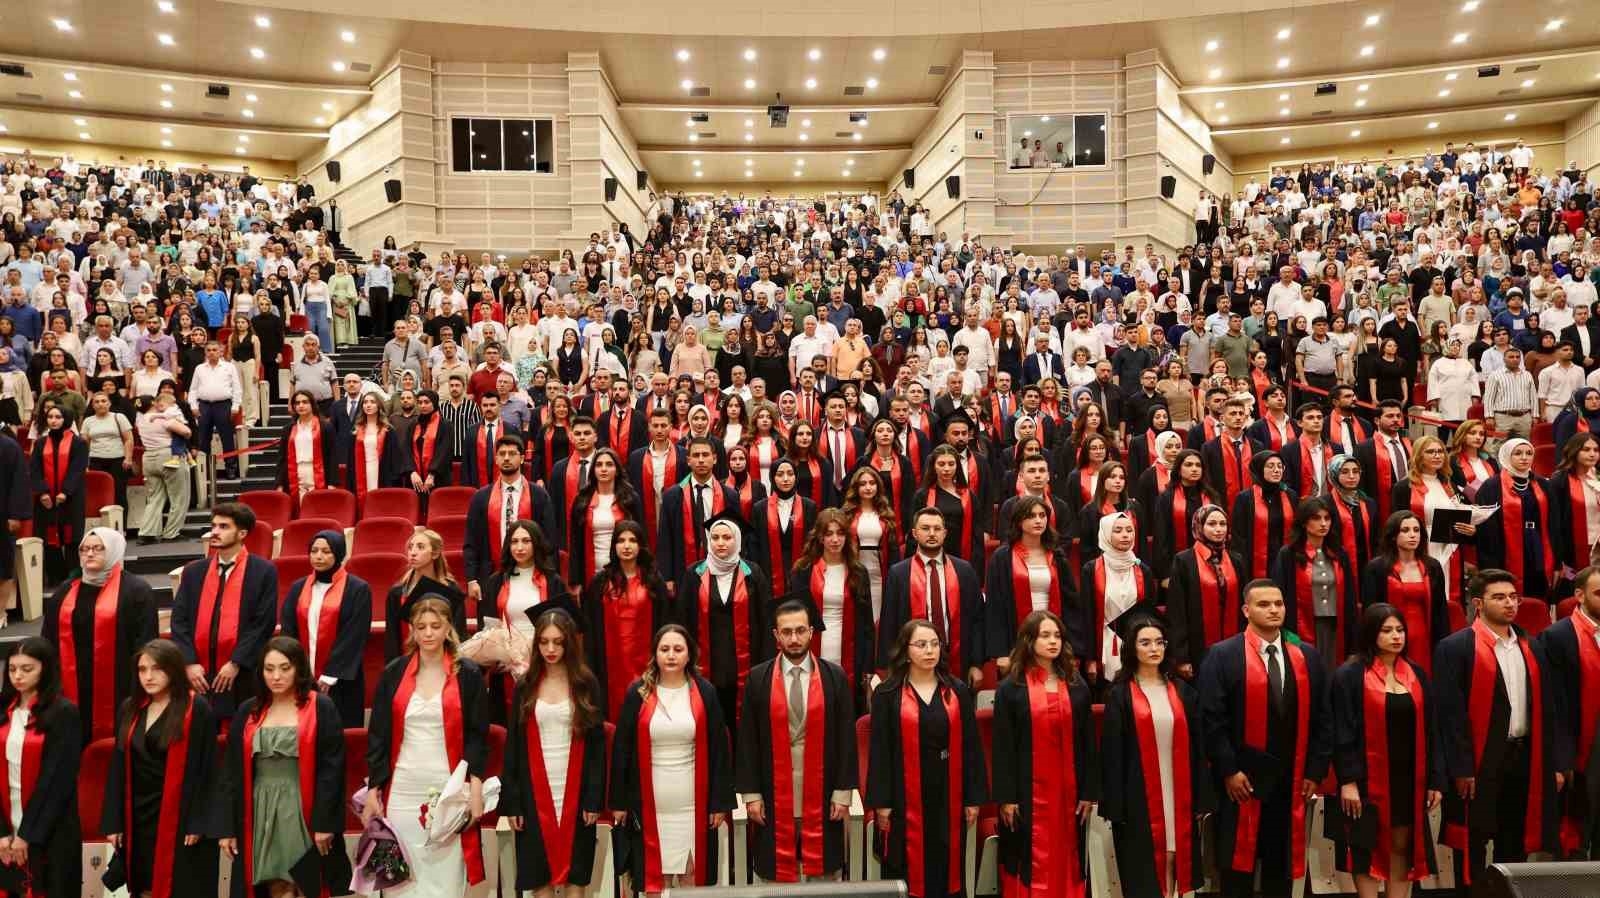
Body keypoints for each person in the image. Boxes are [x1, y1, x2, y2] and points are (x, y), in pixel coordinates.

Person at [1198, 579, 1331, 898]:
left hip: (1290, 780)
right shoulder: (1222, 655)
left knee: (1279, 871)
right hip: (1240, 781)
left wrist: (1314, 771)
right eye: (1264, 604)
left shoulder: (1306, 656)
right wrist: (1229, 770)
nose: (1273, 610)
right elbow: (1212, 720)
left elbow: (1323, 718)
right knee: (1237, 873)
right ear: (1246, 610)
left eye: (1278, 604)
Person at [1435, 569, 1562, 885]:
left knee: (1514, 840)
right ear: (1478, 603)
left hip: (1523, 755)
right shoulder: (1455, 648)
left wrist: (1554, 763)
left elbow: (1548, 709)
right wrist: (1461, 767)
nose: (1510, 604)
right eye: (1500, 597)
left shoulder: (1532, 646)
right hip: (1479, 759)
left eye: (1513, 597)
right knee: (1474, 843)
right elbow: (1450, 716)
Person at [364, 593, 492, 894]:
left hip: (448, 791)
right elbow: (378, 735)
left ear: (448, 628)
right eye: (421, 627)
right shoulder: (394, 673)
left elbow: (477, 736)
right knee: (402, 882)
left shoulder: (468, 674)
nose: (428, 633)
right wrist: (373, 789)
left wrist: (475, 789)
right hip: (403, 790)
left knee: (444, 880)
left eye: (436, 626)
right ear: (412, 629)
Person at [736, 599, 858, 883]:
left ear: (812, 632)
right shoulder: (758, 678)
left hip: (824, 793)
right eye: (787, 632)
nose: (794, 638)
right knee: (776, 880)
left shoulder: (834, 677)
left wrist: (843, 792)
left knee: (823, 877)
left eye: (800, 630)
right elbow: (748, 741)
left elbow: (846, 739)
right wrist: (751, 795)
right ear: (776, 635)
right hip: (773, 794)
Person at [1329, 604, 1445, 897]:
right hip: (1367, 777)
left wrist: (1435, 780)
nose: (1396, 636)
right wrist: (1348, 780)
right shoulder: (1349, 675)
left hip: (1409, 777)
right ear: (1371, 634)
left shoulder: (1416, 674)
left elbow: (1433, 730)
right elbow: (1342, 732)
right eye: (1387, 630)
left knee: (1402, 846)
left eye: (1400, 630)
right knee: (1366, 848)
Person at [608, 624, 735, 893]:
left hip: (692, 806)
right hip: (649, 806)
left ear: (689, 655)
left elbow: (719, 751)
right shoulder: (638, 692)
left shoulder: (705, 692)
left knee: (692, 879)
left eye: (678, 649)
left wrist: (719, 802)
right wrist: (618, 802)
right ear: (655, 654)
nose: (671, 655)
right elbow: (622, 750)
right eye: (664, 649)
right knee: (655, 883)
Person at [219, 637, 349, 898]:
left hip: (302, 806)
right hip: (259, 807)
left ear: (299, 668)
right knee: (273, 884)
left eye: (284, 668)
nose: (276, 676)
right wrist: (228, 828)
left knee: (306, 882)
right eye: (269, 669)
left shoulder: (320, 706)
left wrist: (326, 823)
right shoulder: (248, 710)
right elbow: (231, 773)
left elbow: (332, 770)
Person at [866, 619, 987, 898]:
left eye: (934, 644)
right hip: (903, 796)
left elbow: (971, 746)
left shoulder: (956, 690)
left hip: (948, 792)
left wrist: (972, 798)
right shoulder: (887, 694)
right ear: (906, 651)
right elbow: (880, 752)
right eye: (921, 645)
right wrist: (882, 803)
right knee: (905, 867)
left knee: (947, 867)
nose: (929, 650)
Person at [1099, 609, 1213, 898]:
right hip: (1138, 795)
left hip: (1178, 789)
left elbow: (1198, 749)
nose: (1154, 648)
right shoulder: (1119, 695)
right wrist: (1116, 804)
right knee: (1144, 864)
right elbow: (1112, 756)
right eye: (1145, 642)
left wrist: (1201, 795)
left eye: (1159, 642)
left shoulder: (1184, 692)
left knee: (1176, 852)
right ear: (1132, 648)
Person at [500, 601, 608, 896]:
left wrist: (593, 799)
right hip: (534, 791)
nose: (550, 649)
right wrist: (514, 802)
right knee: (540, 878)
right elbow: (514, 747)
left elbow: (597, 748)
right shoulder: (526, 685)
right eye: (544, 642)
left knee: (576, 877)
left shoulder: (586, 684)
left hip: (577, 789)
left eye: (558, 642)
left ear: (569, 643)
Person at [101, 639, 221, 898]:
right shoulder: (130, 708)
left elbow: (208, 771)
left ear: (173, 669)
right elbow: (118, 768)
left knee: (182, 885)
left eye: (156, 669)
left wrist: (198, 821)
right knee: (143, 884)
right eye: (142, 669)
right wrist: (114, 820)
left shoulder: (196, 708)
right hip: (138, 814)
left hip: (181, 813)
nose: (148, 676)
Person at [992, 610, 1098, 898]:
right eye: (1045, 636)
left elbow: (1088, 743)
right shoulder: (1011, 688)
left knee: (1068, 853)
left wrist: (1088, 791)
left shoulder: (1076, 685)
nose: (1053, 642)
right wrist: (1007, 797)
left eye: (1057, 636)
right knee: (1028, 856)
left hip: (1068, 792)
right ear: (1029, 640)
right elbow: (1003, 747)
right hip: (1026, 791)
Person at [42, 527, 157, 745]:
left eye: (98, 548)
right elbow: (48, 639)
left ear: (114, 550)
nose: (89, 554)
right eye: (84, 549)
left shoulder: (136, 591)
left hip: (120, 683)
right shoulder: (65, 590)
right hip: (72, 681)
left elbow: (146, 643)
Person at [169, 504, 279, 720]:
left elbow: (263, 623)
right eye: (214, 526)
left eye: (224, 526)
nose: (215, 532)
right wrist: (189, 662)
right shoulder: (193, 572)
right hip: (198, 672)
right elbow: (179, 620)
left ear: (242, 534)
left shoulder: (263, 571)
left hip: (242, 671)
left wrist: (236, 662)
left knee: (240, 727)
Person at [675, 515, 776, 730]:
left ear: (737, 540)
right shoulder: (694, 575)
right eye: (715, 538)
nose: (720, 543)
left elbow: (766, 622)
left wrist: (765, 665)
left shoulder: (753, 574)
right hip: (706, 664)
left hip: (747, 664)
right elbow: (683, 622)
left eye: (727, 537)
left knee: (745, 726)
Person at [0, 639, 81, 898]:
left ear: (44, 669)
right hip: (6, 821)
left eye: (27, 669)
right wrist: (2, 834)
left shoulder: (63, 712)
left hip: (49, 826)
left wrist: (26, 835)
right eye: (12, 669)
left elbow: (57, 782)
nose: (18, 676)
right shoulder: (3, 709)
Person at [878, 506, 986, 689]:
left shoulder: (964, 571)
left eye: (937, 529)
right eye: (925, 528)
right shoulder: (899, 573)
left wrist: (977, 664)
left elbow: (977, 620)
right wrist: (888, 668)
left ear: (945, 533)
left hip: (958, 658)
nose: (932, 533)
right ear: (914, 533)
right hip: (912, 661)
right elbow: (889, 623)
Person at [1536, 565, 1600, 858]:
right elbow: (1552, 705)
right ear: (1579, 595)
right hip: (1579, 744)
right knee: (1577, 831)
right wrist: (1560, 760)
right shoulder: (1557, 637)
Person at [277, 530, 372, 727]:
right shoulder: (298, 587)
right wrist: (296, 668)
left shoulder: (358, 589)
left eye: (326, 551)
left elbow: (354, 635)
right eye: (314, 551)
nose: (318, 556)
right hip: (302, 676)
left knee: (339, 731)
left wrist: (330, 675)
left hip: (341, 679)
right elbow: (288, 629)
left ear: (339, 554)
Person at [582, 520, 674, 720]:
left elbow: (664, 623)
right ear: (614, 546)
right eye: (621, 540)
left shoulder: (654, 581)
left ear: (640, 546)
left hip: (646, 661)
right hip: (608, 665)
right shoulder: (600, 583)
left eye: (632, 540)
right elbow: (590, 628)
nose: (626, 546)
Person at [478, 519, 568, 717]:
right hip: (508, 663)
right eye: (514, 541)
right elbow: (490, 626)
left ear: (536, 544)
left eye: (526, 541)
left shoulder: (553, 581)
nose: (519, 547)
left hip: (545, 655)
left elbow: (563, 626)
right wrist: (498, 654)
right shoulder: (495, 582)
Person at [983, 496, 1078, 674]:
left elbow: (1071, 602)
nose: (1038, 520)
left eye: (1042, 515)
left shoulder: (1056, 555)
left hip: (1051, 635)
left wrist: (1071, 646)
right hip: (1015, 636)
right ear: (1019, 521)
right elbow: (995, 607)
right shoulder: (1002, 557)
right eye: (1032, 516)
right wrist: (1000, 652)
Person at [784, 510, 875, 690]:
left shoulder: (858, 572)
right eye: (829, 534)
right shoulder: (802, 571)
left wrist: (868, 666)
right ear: (820, 537)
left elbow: (867, 625)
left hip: (850, 650)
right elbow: (791, 618)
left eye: (840, 533)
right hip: (811, 646)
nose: (835, 540)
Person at [463, 434, 556, 594]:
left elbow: (549, 540)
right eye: (502, 454)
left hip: (533, 575)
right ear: (496, 459)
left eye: (512, 453)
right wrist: (471, 579)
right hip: (490, 575)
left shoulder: (539, 495)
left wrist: (549, 577)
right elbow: (471, 541)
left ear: (522, 458)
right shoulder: (481, 497)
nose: (506, 458)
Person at [1360, 512, 1450, 676]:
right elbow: (1370, 612)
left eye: (1416, 530)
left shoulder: (1433, 567)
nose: (1412, 535)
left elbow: (1441, 610)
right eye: (1405, 530)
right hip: (1388, 635)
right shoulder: (1376, 568)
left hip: (1424, 635)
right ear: (1394, 535)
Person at [1272, 497, 1358, 664]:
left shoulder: (1339, 554)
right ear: (1304, 522)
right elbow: (1280, 593)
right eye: (1316, 518)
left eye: (1327, 518)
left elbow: (1350, 597)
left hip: (1335, 625)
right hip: (1301, 624)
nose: (1323, 523)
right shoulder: (1288, 554)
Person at [1167, 504, 1245, 678]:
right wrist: (1181, 657)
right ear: (1199, 526)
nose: (1219, 529)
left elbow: (1243, 606)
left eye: (1223, 524)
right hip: (1197, 648)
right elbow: (1177, 612)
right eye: (1212, 524)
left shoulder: (1236, 560)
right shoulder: (1184, 561)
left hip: (1234, 645)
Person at [1079, 511, 1157, 686]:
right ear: (1106, 534)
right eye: (1118, 530)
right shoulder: (1091, 569)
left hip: (1138, 645)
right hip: (1104, 646)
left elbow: (1150, 615)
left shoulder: (1143, 570)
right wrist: (1090, 658)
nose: (1125, 535)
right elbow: (1086, 615)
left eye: (1129, 530)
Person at [1474, 438, 1555, 600]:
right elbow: (1486, 530)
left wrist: (1557, 561)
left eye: (1529, 453)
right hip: (1503, 550)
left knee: (1537, 593)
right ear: (1506, 456)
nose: (1524, 457)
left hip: (1537, 545)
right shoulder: (1491, 487)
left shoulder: (1543, 484)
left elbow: (1554, 523)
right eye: (1518, 453)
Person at [384, 529, 469, 661]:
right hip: (407, 661)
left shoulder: (451, 590)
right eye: (410, 547)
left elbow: (459, 633)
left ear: (435, 553)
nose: (413, 552)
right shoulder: (397, 592)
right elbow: (392, 638)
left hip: (444, 662)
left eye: (420, 547)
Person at [566, 447, 643, 590]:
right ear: (593, 470)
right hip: (591, 572)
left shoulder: (630, 499)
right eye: (599, 465)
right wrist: (575, 580)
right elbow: (575, 543)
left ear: (617, 470)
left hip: (625, 571)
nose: (603, 469)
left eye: (609, 464)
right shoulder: (582, 500)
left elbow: (641, 539)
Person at [29, 404, 86, 585]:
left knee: (71, 537)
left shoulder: (78, 443)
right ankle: (55, 576)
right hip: (45, 500)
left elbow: (77, 470)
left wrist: (65, 492)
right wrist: (42, 492)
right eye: (50, 417)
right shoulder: (40, 443)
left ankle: (74, 576)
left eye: (58, 417)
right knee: (48, 537)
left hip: (71, 498)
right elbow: (34, 470)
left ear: (66, 419)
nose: (53, 421)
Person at [748, 459, 818, 599]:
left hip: (802, 572)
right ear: (772, 478)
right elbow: (754, 546)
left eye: (790, 474)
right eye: (780, 474)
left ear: (796, 477)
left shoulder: (809, 506)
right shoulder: (760, 508)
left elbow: (814, 544)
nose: (785, 479)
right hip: (768, 573)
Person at [1547, 433, 1600, 599]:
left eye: (1596, 450)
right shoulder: (1560, 481)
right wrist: (1558, 559)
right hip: (1572, 550)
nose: (1592, 454)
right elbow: (1554, 522)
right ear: (1575, 451)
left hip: (1598, 547)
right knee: (1576, 592)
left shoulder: (1598, 476)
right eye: (1586, 449)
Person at [1231, 451, 1297, 580]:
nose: (1276, 470)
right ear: (1259, 469)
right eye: (1270, 466)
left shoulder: (1291, 495)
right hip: (1253, 562)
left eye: (1280, 466)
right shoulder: (1245, 498)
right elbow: (1238, 537)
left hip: (1284, 559)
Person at [343, 392, 414, 501]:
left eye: (372, 402)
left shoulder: (388, 431)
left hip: (381, 471)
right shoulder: (355, 431)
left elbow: (395, 459)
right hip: (360, 471)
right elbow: (350, 459)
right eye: (365, 402)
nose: (368, 405)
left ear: (379, 406)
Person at [273, 390, 336, 501]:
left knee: (317, 505)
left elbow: (332, 456)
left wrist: (332, 482)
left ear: (312, 404)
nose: (301, 406)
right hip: (295, 472)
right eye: (297, 403)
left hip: (318, 471)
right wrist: (279, 483)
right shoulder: (288, 429)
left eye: (305, 402)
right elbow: (282, 458)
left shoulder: (325, 427)